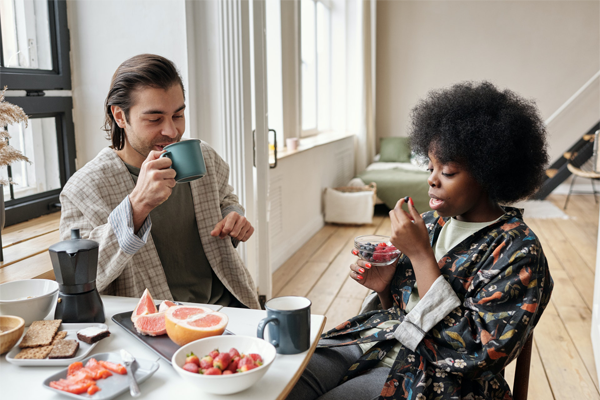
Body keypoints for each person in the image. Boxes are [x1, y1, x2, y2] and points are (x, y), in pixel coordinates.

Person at [288, 81, 553, 399]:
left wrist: (421, 257)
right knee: (282, 382)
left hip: (436, 378)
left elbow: (479, 354)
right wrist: (385, 288)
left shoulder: (518, 251)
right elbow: (403, 311)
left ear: (489, 172)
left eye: (449, 171)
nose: (432, 179)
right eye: (430, 167)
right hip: (380, 341)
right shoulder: (429, 223)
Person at [59, 54, 260, 309]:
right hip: (154, 325)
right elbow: (76, 278)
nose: (172, 131)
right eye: (154, 119)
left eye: (178, 115)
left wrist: (233, 216)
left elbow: (225, 199)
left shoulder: (203, 157)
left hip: (231, 307)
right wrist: (137, 206)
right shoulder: (84, 188)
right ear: (120, 116)